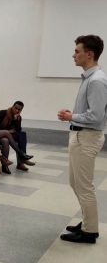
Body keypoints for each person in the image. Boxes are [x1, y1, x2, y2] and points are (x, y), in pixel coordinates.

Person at [58, 35, 107, 244]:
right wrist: (74, 114)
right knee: (75, 182)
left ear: (89, 54)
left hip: (87, 137)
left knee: (84, 185)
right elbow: (91, 111)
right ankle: (88, 221)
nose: (73, 55)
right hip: (80, 134)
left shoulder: (96, 80)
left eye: (77, 51)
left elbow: (96, 116)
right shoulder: (89, 78)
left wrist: (72, 117)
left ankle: (89, 231)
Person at [0, 101, 35, 170]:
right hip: (0, 134)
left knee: (22, 134)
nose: (17, 110)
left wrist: (16, 120)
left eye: (19, 110)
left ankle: (21, 161)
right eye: (16, 108)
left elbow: (18, 130)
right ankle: (22, 159)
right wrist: (6, 131)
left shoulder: (18, 117)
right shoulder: (3, 113)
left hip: (10, 135)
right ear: (12, 107)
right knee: (8, 138)